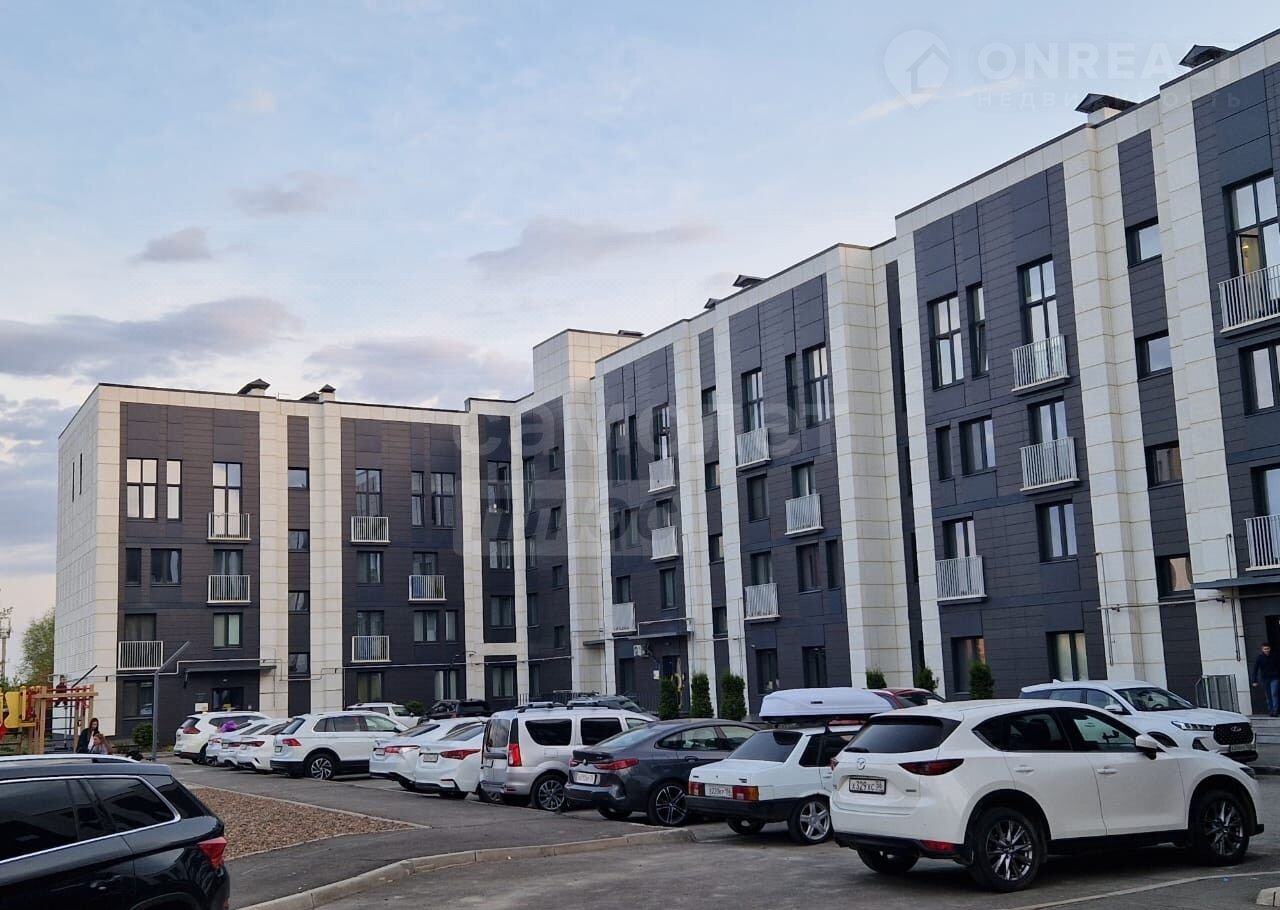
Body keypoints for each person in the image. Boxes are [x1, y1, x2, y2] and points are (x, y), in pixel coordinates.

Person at [1252, 642, 1280, 717]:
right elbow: (1255, 669)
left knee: (1274, 694)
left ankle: (1275, 711)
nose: (1266, 650)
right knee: (1268, 695)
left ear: (1270, 649)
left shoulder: (1275, 657)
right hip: (1265, 679)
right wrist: (1254, 680)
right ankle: (1271, 711)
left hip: (1275, 677)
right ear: (1262, 649)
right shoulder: (1260, 658)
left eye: (1267, 649)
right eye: (1265, 649)